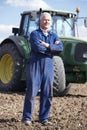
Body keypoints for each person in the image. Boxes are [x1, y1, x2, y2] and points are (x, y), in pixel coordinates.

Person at [22, 12, 63, 126]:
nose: (46, 22)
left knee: (47, 93)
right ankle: (27, 117)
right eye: (44, 20)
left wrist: (48, 46)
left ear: (51, 22)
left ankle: (44, 118)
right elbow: (37, 48)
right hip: (35, 64)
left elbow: (60, 48)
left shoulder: (54, 35)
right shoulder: (34, 34)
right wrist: (51, 49)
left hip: (49, 66)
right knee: (31, 92)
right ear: (40, 21)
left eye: (48, 20)